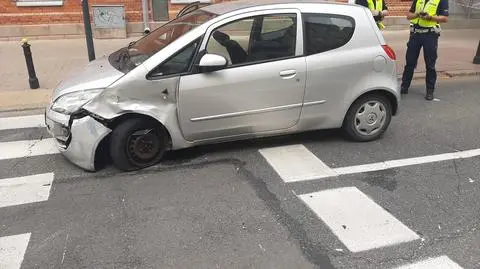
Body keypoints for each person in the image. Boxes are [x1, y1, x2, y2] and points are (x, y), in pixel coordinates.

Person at [400, 0, 449, 100]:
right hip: (415, 35)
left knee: (430, 64)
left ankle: (430, 90)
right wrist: (417, 14)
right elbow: (409, 16)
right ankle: (404, 86)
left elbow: (444, 18)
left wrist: (430, 17)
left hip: (430, 35)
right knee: (410, 62)